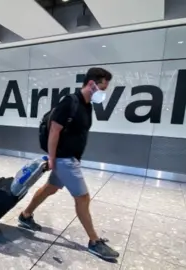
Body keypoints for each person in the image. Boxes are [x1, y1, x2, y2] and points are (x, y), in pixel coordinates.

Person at [18, 67, 120, 260]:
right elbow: (54, 130)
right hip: (64, 159)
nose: (104, 93)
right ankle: (93, 242)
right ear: (91, 84)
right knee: (83, 198)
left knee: (50, 188)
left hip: (70, 158)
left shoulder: (87, 105)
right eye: (102, 88)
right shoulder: (69, 101)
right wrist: (52, 158)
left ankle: (25, 216)